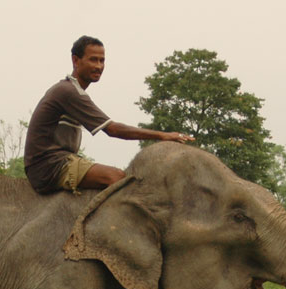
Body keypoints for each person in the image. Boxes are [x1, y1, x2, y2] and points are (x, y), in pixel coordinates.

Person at [24, 35, 194, 194]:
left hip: (59, 161)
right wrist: (162, 135)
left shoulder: (73, 91)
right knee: (115, 177)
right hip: (49, 166)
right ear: (75, 61)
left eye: (102, 60)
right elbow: (112, 129)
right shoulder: (68, 91)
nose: (98, 66)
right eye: (93, 60)